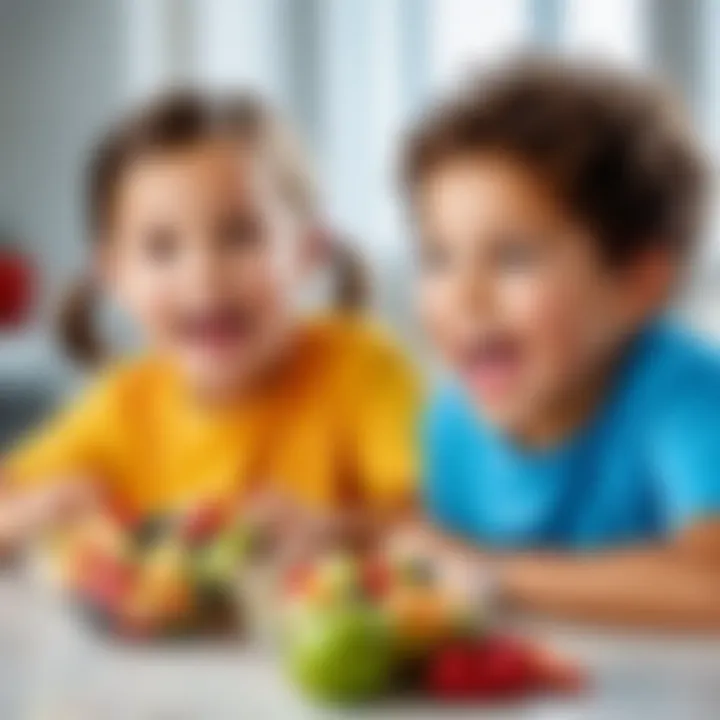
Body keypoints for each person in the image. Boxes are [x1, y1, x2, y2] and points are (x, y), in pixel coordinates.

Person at [0, 91, 419, 551]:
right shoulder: (123, 404)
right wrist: (35, 511)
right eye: (162, 248)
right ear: (115, 276)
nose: (205, 275)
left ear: (307, 251)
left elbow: (437, 524)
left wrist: (336, 531)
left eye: (240, 235)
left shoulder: (362, 366)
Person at [398, 58, 720, 628]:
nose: (464, 296)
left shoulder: (686, 394)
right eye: (437, 258)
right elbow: (439, 577)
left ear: (637, 283)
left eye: (514, 257)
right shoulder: (450, 420)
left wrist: (489, 574)